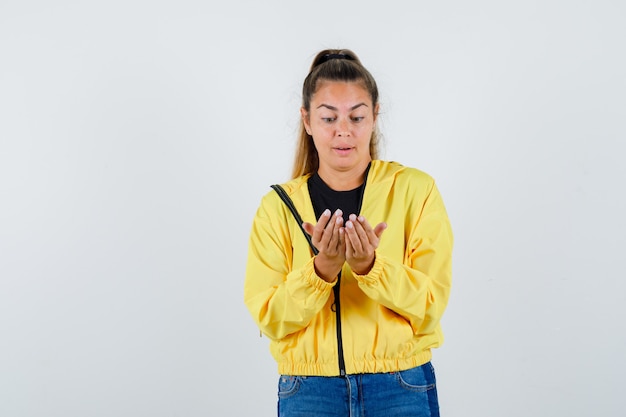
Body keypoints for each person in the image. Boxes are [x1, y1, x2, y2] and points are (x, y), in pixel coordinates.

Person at [244, 48, 453, 417]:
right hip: (309, 392)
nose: (344, 130)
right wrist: (321, 269)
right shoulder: (277, 207)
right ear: (306, 120)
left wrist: (372, 267)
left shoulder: (416, 191)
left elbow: (431, 306)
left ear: (375, 116)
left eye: (357, 116)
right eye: (328, 117)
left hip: (400, 386)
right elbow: (270, 316)